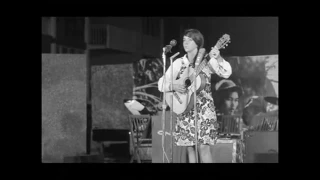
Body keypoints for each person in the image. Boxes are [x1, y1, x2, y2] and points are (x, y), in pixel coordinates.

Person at [158, 29, 232, 163]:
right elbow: (161, 83)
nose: (185, 43)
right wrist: (173, 86)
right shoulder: (179, 62)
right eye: (184, 40)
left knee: (203, 147)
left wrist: (218, 57)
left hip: (204, 109)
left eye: (189, 40)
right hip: (185, 107)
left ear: (197, 43)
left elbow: (226, 73)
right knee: (190, 148)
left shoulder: (206, 60)